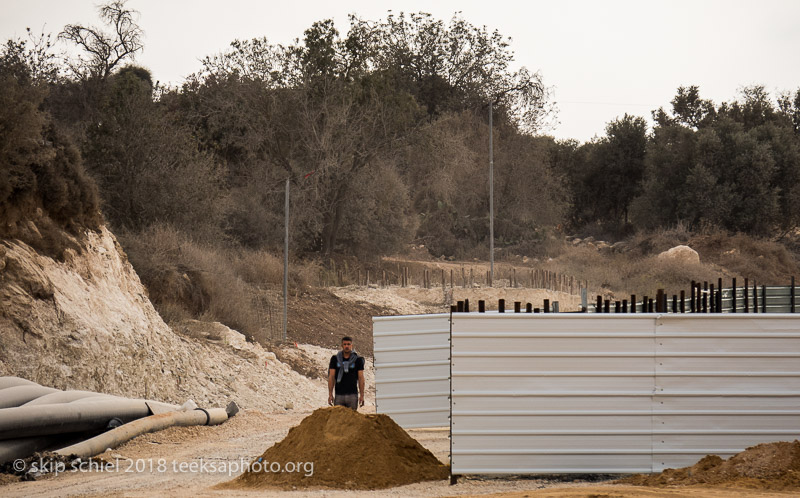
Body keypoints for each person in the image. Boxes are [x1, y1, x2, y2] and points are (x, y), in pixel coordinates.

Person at [328, 336, 365, 410]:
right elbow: (331, 377)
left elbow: (361, 378)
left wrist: (362, 395)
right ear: (342, 346)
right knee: (338, 419)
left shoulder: (358, 360)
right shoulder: (335, 359)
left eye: (348, 344)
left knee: (351, 420)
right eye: (345, 344)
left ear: (352, 345)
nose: (346, 346)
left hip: (352, 395)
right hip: (339, 395)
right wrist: (330, 394)